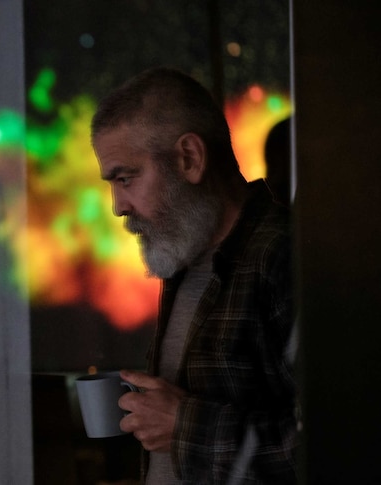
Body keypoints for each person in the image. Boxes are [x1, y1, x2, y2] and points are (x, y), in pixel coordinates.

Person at [90, 67, 298, 484]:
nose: (118, 206)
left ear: (189, 158)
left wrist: (187, 427)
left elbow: (342, 445)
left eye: (126, 178)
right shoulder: (186, 254)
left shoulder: (285, 259)